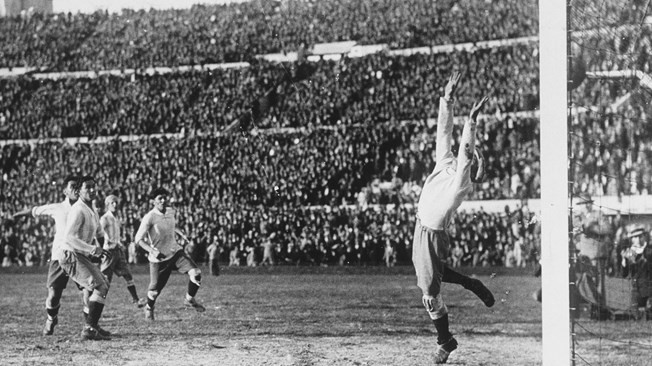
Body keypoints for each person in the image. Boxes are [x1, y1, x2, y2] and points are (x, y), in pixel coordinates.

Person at [412, 72, 495, 364]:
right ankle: (469, 283)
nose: (468, 161)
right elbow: (443, 132)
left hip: (432, 233)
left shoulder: (460, 182)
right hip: (420, 226)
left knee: (429, 292)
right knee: (432, 276)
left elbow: (465, 149)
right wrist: (447, 99)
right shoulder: (444, 162)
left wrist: (471, 122)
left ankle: (445, 342)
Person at [11, 175, 83, 336]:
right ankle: (51, 319)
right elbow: (34, 210)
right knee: (53, 295)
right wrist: (17, 214)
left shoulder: (84, 208)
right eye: (73, 186)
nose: (76, 189)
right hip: (59, 256)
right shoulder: (57, 208)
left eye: (78, 186)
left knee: (88, 292)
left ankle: (90, 326)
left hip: (79, 256)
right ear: (65, 190)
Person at [134, 188, 205, 321]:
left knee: (196, 272)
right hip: (159, 259)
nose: (163, 200)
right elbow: (138, 240)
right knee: (154, 292)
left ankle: (189, 300)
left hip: (175, 252)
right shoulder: (149, 217)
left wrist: (182, 233)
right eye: (160, 198)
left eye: (165, 197)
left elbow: (173, 225)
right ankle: (149, 308)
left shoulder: (171, 211)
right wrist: (152, 250)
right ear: (153, 201)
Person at [60, 175, 112, 340]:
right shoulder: (78, 209)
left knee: (102, 284)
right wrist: (92, 249)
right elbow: (68, 237)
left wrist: (103, 248)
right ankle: (89, 328)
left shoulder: (92, 209)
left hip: (80, 254)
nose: (91, 190)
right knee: (100, 285)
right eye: (87, 187)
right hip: (70, 254)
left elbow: (98, 233)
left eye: (93, 186)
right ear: (79, 191)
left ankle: (92, 325)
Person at [99, 195, 146, 307]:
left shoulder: (116, 218)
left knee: (128, 275)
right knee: (105, 280)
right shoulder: (105, 218)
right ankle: (98, 302)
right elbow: (99, 234)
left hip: (118, 251)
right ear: (107, 205)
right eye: (112, 203)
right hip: (109, 252)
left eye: (116, 202)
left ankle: (136, 299)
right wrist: (102, 248)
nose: (115, 204)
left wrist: (120, 243)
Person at [621, 225, 652, 319]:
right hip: (635, 290)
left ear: (645, 237)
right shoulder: (629, 252)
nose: (637, 240)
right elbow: (624, 274)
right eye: (634, 237)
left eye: (640, 236)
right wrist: (624, 261)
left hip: (649, 289)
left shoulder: (650, 250)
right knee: (634, 312)